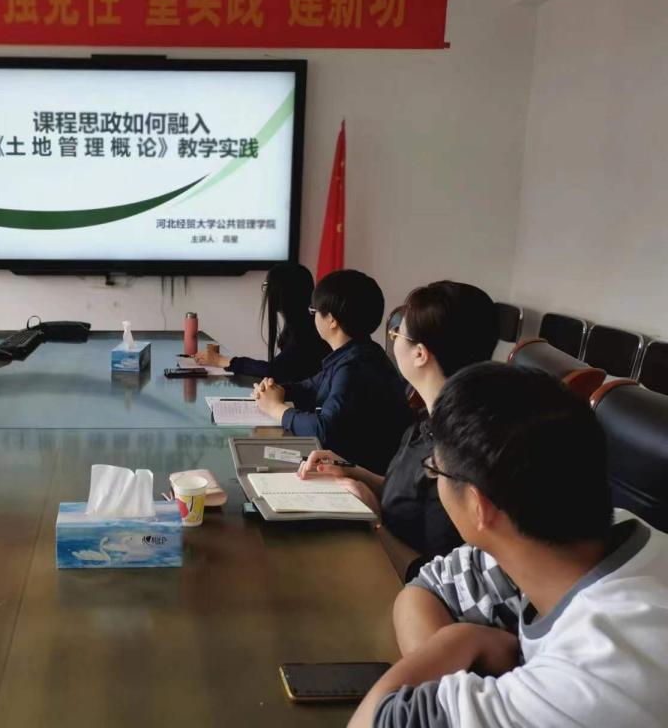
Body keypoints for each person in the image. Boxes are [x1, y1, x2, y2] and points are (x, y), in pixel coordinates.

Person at [349, 363, 668, 728]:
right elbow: (427, 587)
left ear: (479, 505)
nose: (432, 477)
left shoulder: (589, 680)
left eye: (434, 470)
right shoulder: (599, 534)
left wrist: (456, 643)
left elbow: (372, 721)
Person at [299, 281, 499, 579]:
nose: (392, 342)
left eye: (396, 335)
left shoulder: (457, 456)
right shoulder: (429, 422)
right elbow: (406, 498)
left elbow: (431, 571)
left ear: (420, 354)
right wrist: (352, 471)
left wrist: (373, 521)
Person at [253, 269, 411, 474]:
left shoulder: (355, 368)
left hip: (364, 475)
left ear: (332, 320)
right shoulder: (356, 353)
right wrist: (276, 390)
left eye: (314, 311)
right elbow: (310, 387)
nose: (313, 317)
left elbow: (325, 430)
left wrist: (276, 409)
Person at [194, 263, 331, 382]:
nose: (267, 294)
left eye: (268, 287)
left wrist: (221, 360)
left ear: (282, 294)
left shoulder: (306, 331)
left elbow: (275, 371)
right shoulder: (300, 322)